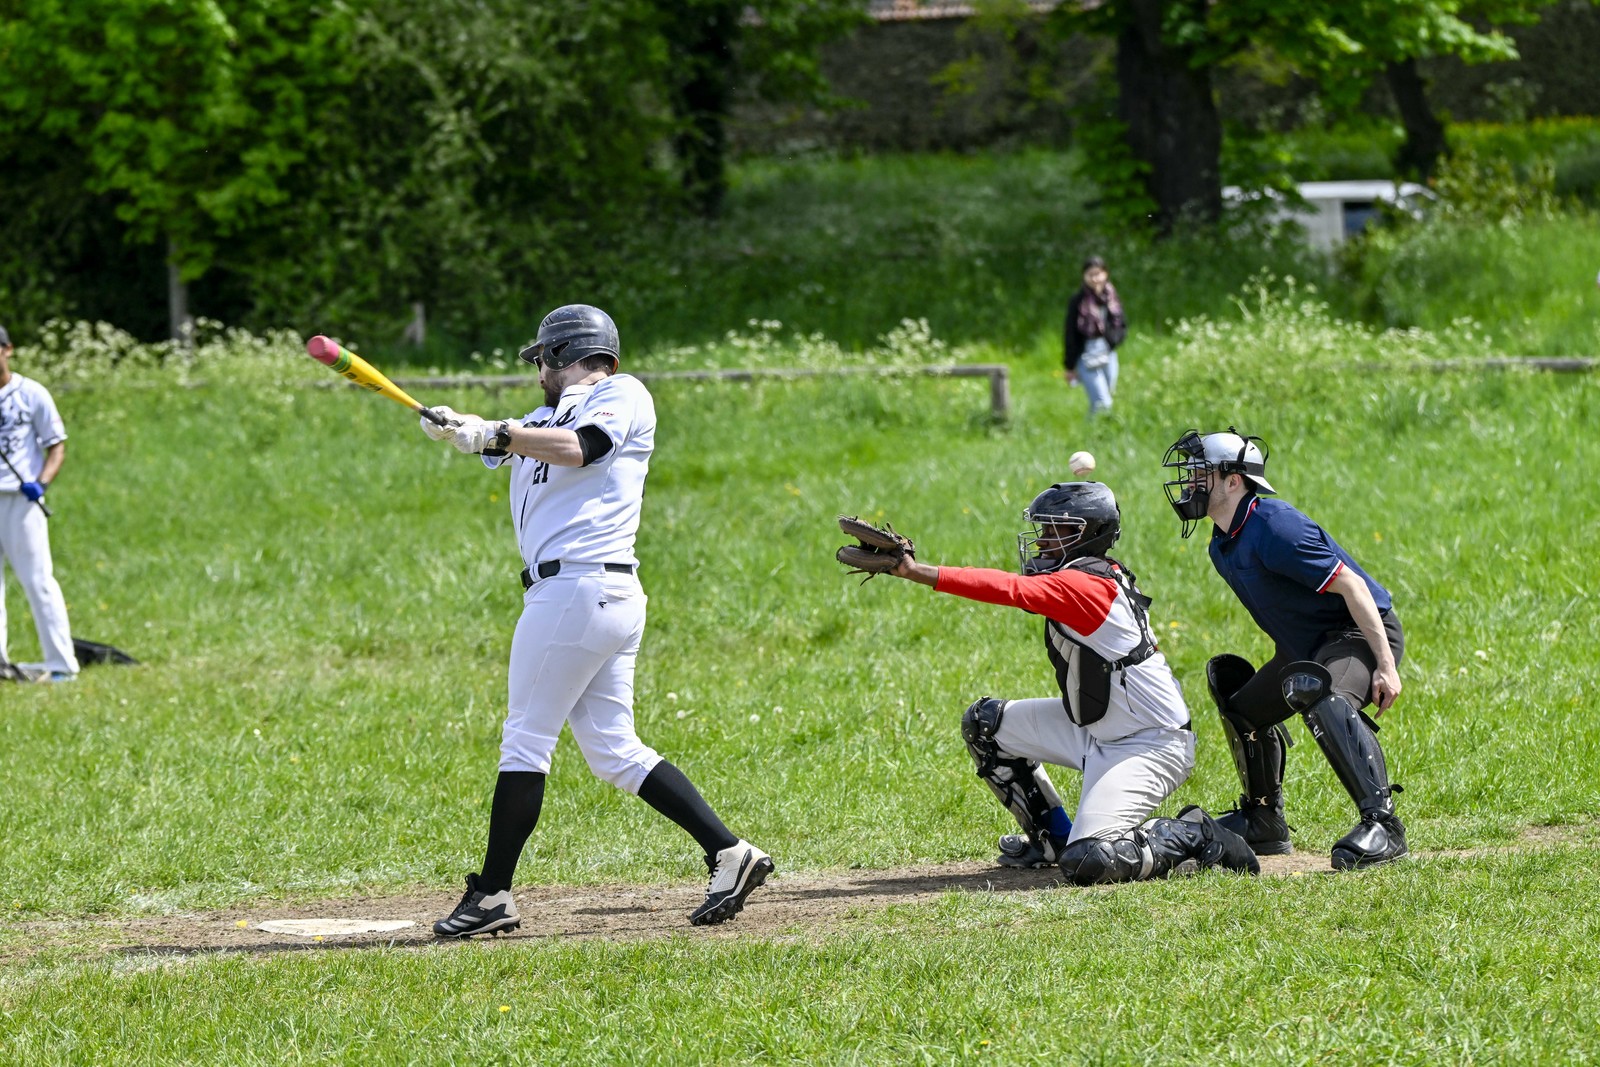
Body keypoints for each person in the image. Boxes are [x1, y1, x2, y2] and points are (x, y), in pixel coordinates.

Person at [420, 304, 772, 936]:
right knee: (613, 751)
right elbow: (510, 441)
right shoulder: (541, 416)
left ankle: (493, 895)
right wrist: (459, 428)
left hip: (580, 588)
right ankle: (730, 853)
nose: (539, 375)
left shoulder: (622, 394)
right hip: (584, 596)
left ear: (563, 355)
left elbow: (583, 448)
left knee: (525, 740)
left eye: (543, 362)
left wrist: (495, 434)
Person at [844, 481, 1258, 885]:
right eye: (1043, 529)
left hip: (1148, 745)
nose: (1042, 541)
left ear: (1089, 535)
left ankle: (1195, 833)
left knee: (1090, 861)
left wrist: (916, 571)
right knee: (985, 725)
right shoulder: (1083, 574)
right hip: (1096, 729)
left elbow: (1008, 589)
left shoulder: (1083, 584)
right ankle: (1051, 840)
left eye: (1056, 531)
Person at [1161, 428, 1407, 870]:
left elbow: (1352, 585)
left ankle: (1383, 826)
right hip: (1308, 649)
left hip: (1359, 633)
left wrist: (1386, 665)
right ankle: (1263, 820)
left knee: (1318, 694)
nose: (1190, 484)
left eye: (1200, 475)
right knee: (1243, 706)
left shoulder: (1274, 525)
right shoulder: (1221, 544)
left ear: (1233, 480)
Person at [0, 324, 77, 682]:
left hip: (22, 500)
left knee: (38, 580)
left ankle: (62, 664)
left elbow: (56, 445)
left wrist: (41, 482)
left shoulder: (32, 394)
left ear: (8, 350)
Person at [1063, 256, 1127, 417]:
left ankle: (1090, 435)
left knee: (1103, 399)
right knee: (1103, 403)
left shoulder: (1112, 297)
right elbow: (1070, 334)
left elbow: (1122, 324)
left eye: (1098, 273)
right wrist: (1069, 366)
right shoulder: (1078, 301)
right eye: (1090, 274)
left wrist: (1114, 340)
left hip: (1108, 354)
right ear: (1084, 276)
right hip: (1086, 356)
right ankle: (1097, 433)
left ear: (1105, 274)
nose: (1094, 278)